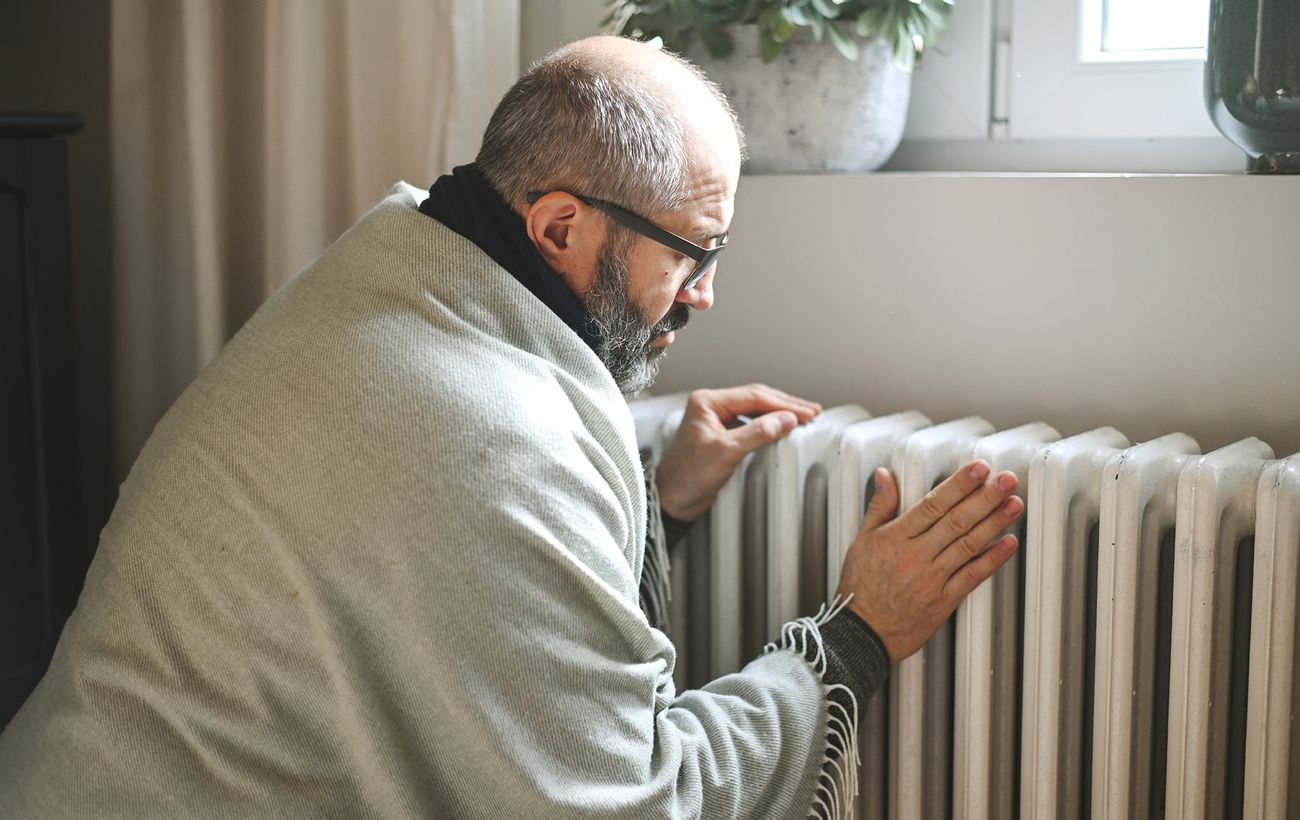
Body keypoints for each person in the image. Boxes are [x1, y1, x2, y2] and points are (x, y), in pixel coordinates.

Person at [0, 36, 1023, 818]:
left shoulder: (387, 270)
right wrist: (850, 641)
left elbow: (441, 583)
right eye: (693, 253)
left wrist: (653, 498)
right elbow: (635, 800)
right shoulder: (498, 439)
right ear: (560, 228)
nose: (704, 296)